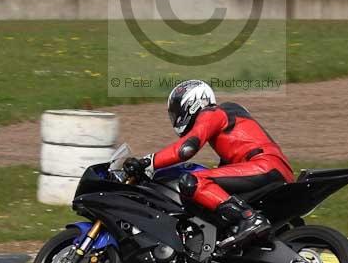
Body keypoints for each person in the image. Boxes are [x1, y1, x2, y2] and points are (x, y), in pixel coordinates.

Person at [124, 79, 295, 247]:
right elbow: (227, 165)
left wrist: (147, 162)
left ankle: (249, 217)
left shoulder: (212, 113)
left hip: (264, 165)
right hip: (268, 168)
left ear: (192, 103)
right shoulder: (225, 128)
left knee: (193, 181)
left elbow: (185, 149)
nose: (176, 116)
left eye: (177, 110)